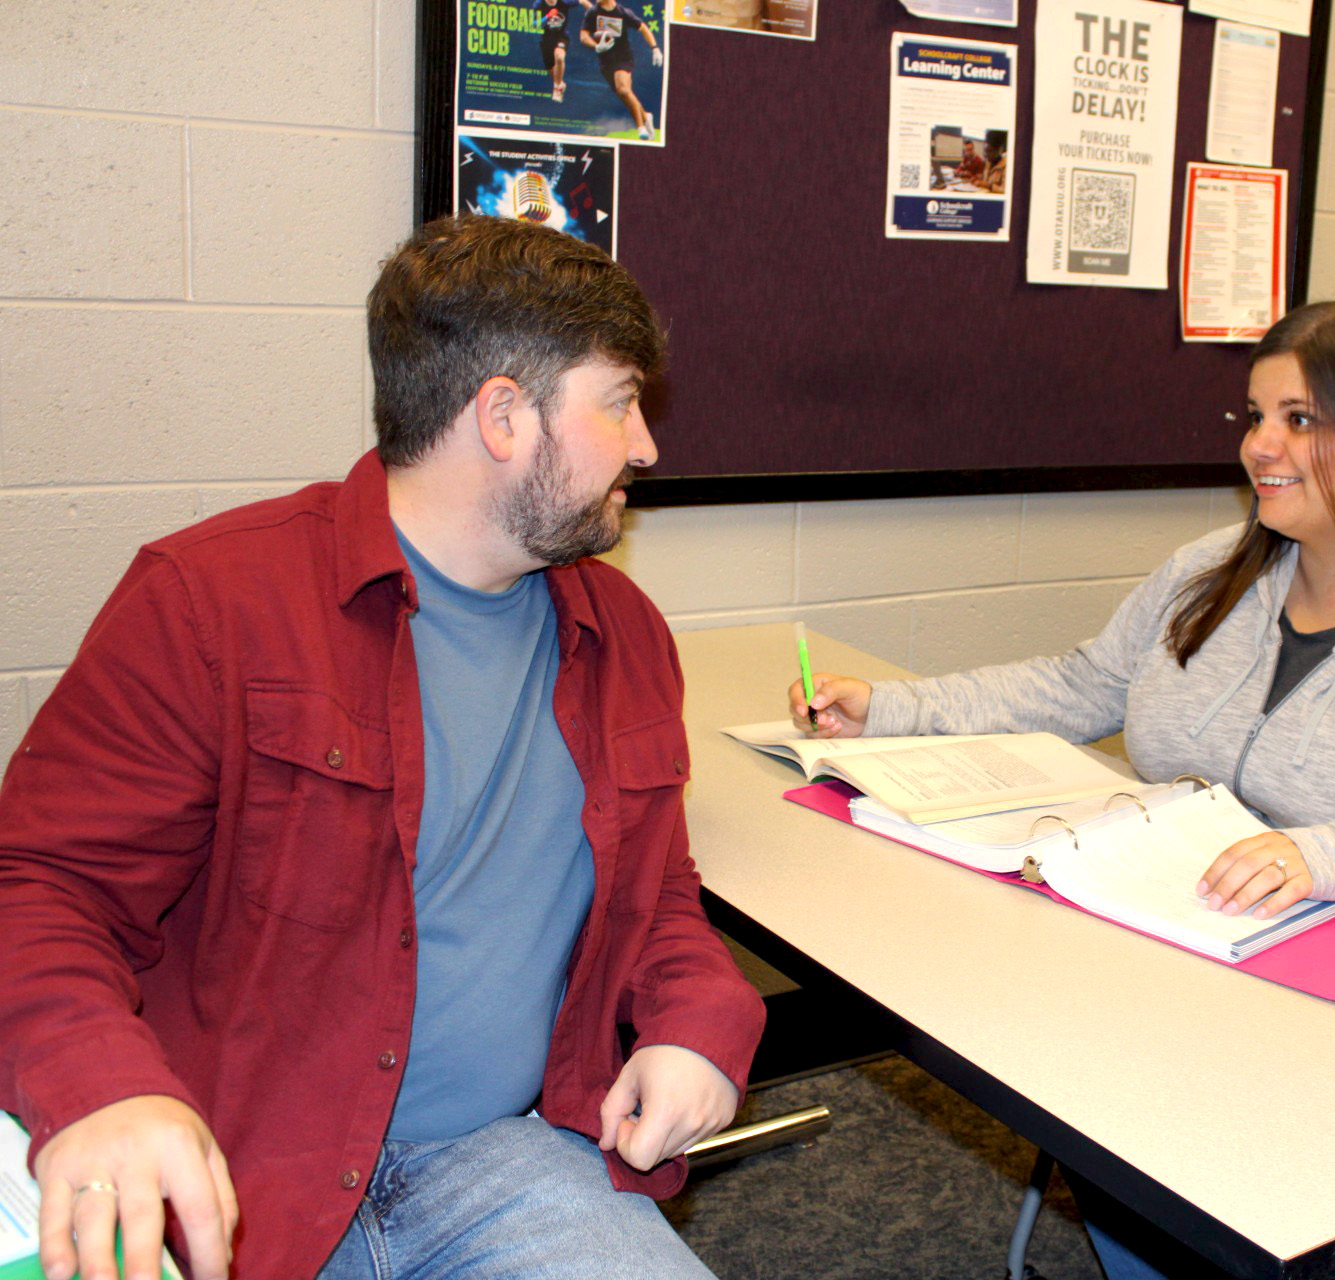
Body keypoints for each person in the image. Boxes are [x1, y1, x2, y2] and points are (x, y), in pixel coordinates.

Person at [0, 215, 766, 1280]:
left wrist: (696, 1020)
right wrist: (102, 1086)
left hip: (504, 1155)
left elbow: (659, 891)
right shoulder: (212, 602)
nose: (646, 445)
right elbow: (38, 886)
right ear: (504, 415)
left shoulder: (622, 634)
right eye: (621, 399)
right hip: (239, 1158)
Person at [789, 300, 1335, 1278]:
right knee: (1053, 1040)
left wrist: (1332, 852)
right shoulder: (1210, 572)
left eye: (1299, 419)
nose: (1260, 446)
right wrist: (891, 710)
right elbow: (1080, 683)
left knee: (1154, 1115)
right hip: (1194, 937)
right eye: (1253, 416)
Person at [581, 0, 663, 140]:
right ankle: (645, 115)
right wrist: (596, 46)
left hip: (623, 58)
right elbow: (583, 36)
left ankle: (640, 128)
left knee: (623, 89)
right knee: (625, 94)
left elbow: (643, 28)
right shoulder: (593, 12)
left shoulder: (623, 13)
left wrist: (655, 48)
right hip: (606, 62)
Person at [530, 0, 581, 101]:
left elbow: (581, 2)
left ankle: (557, 88)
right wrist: (547, 17)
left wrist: (591, 8)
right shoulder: (539, 4)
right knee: (551, 68)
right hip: (546, 39)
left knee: (559, 57)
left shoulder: (565, 2)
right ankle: (560, 84)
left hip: (561, 37)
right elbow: (534, 24)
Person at [982, 131, 1007, 195]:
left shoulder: (1006, 166)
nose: (986, 155)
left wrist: (989, 186)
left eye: (989, 151)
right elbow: (985, 180)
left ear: (1000, 150)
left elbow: (1005, 190)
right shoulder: (988, 162)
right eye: (985, 151)